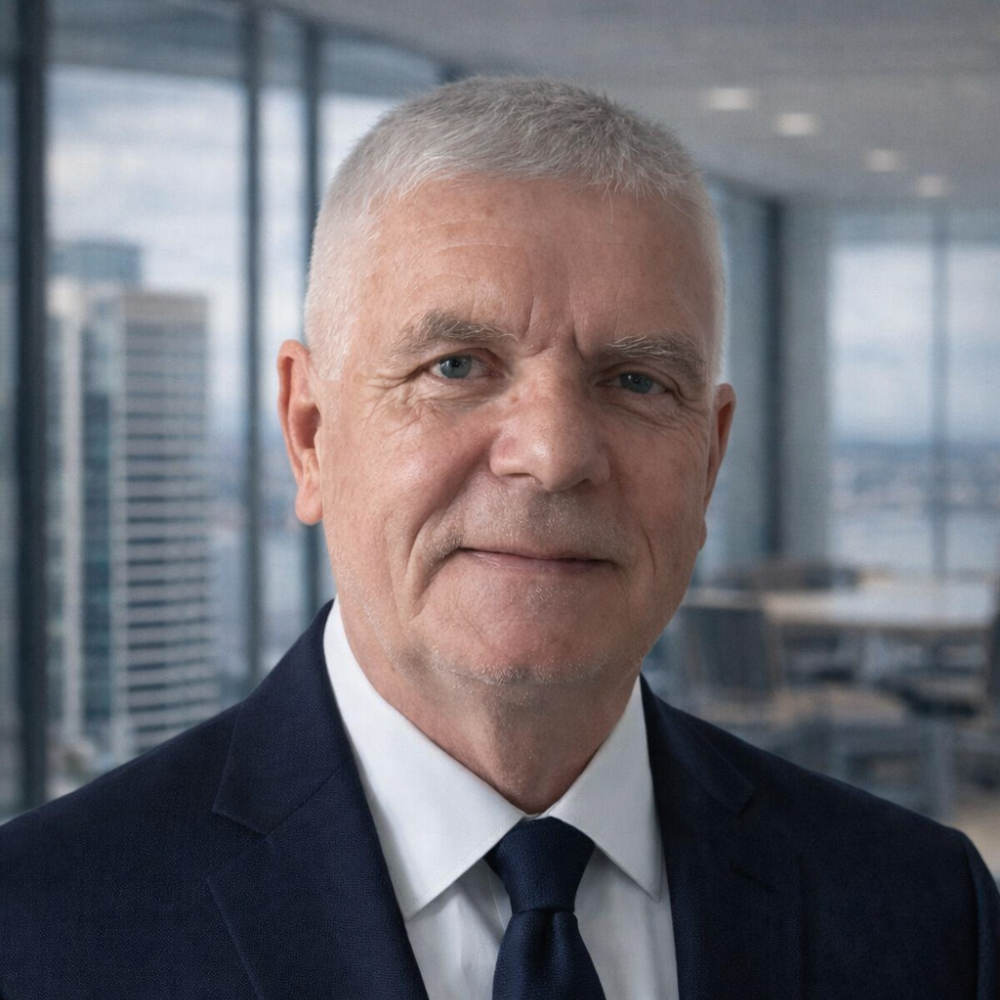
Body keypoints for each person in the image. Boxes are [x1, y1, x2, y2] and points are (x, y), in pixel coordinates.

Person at [0, 77, 997, 1000]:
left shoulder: (923, 912)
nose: (553, 454)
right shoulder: (39, 925)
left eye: (637, 381)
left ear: (708, 460)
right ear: (309, 434)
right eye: (455, 365)